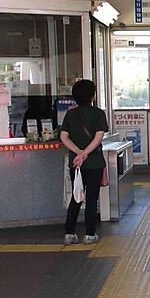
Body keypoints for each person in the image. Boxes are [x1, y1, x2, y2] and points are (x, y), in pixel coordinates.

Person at [60, 79, 108, 245]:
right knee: (92, 198)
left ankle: (69, 233)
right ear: (92, 95)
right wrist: (85, 153)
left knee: (76, 196)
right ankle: (89, 234)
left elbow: (63, 137)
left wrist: (78, 153)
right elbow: (98, 137)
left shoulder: (70, 114)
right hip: (94, 163)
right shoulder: (98, 113)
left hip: (76, 164)